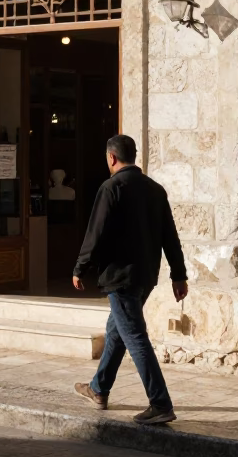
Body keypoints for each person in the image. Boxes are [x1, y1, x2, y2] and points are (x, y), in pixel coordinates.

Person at [72, 134, 188, 426]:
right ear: (133, 156)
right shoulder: (155, 190)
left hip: (120, 276)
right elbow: (170, 237)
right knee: (116, 330)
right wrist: (178, 274)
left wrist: (80, 267)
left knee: (134, 336)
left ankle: (160, 403)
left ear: (111, 157)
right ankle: (99, 389)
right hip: (146, 276)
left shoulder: (112, 188)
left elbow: (94, 232)